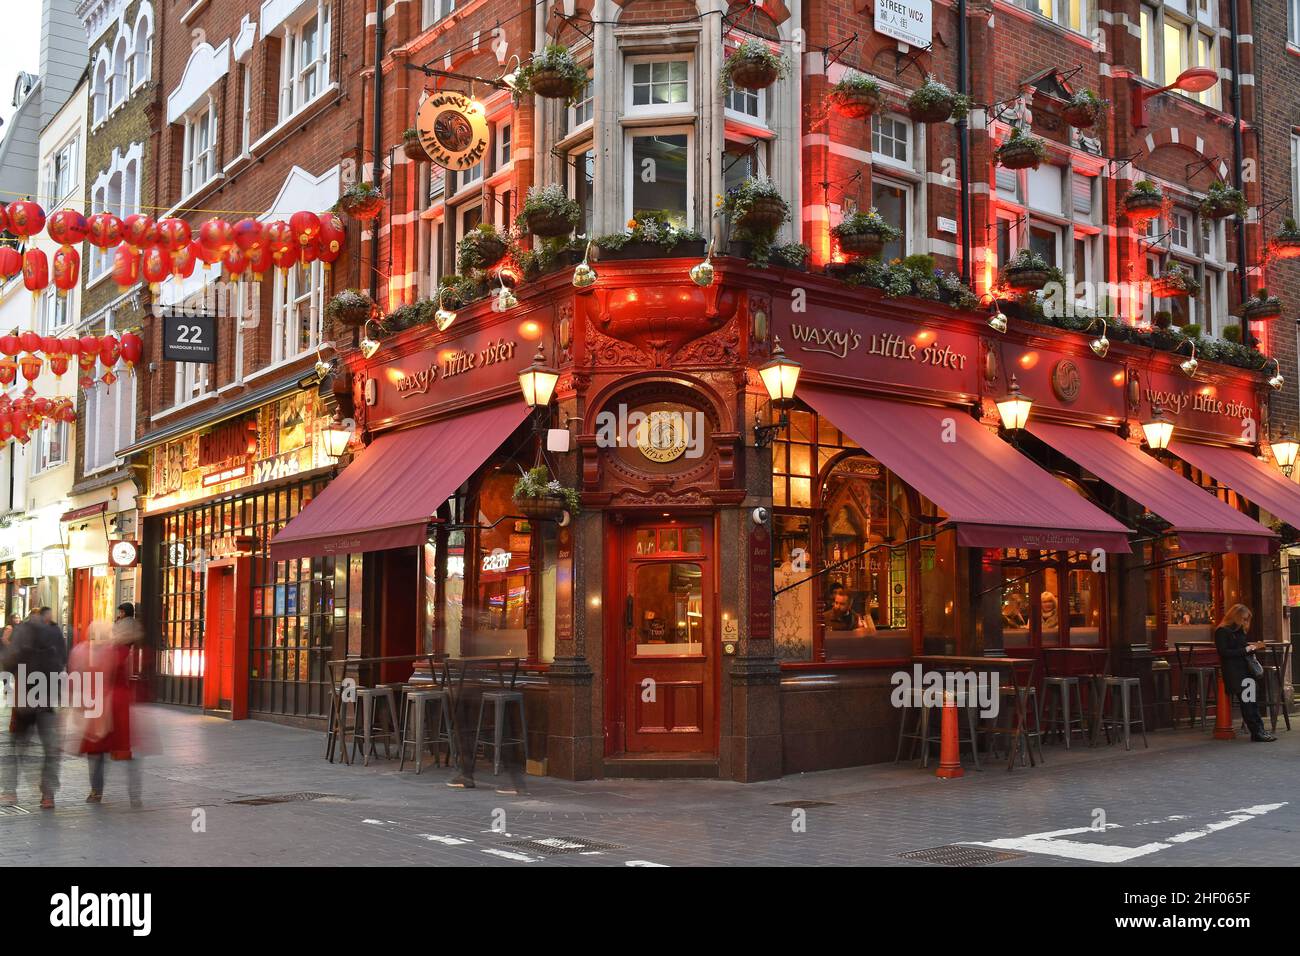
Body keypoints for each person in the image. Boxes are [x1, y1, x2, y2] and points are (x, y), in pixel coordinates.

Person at [0, 607, 67, 808]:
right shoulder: (54, 634)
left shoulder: (23, 633)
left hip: (25, 701)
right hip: (46, 700)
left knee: (15, 747)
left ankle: (10, 792)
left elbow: (9, 661)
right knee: (50, 748)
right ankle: (48, 794)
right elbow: (62, 662)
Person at [69, 620, 140, 805]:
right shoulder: (116, 651)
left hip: (95, 705)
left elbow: (75, 678)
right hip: (115, 705)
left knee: (95, 752)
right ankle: (134, 792)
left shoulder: (82, 651)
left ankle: (96, 791)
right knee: (121, 749)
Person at [1214, 604, 1276, 742]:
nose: (1245, 622)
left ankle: (1260, 730)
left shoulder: (1239, 631)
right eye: (1244, 619)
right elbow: (1224, 652)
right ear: (1236, 617)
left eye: (1247, 619)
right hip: (1235, 672)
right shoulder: (1222, 631)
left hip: (1246, 671)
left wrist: (1254, 647)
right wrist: (1250, 648)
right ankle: (1257, 732)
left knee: (1252, 702)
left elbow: (1243, 648)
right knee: (1247, 703)